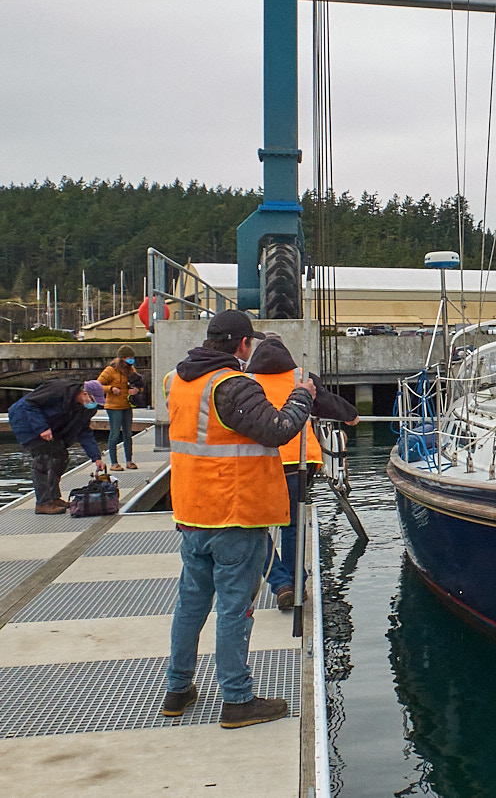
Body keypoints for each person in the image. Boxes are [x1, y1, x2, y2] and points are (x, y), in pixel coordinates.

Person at [161, 309, 316, 729]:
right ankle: (237, 700)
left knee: (190, 605)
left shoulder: (176, 381)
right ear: (244, 345)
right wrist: (302, 393)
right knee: (234, 608)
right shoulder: (232, 386)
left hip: (193, 514)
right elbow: (280, 428)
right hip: (235, 514)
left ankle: (177, 690)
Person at [245, 333, 360, 609]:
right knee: (293, 524)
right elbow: (327, 402)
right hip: (300, 462)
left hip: (262, 461)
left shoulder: (246, 381)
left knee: (254, 528)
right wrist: (351, 415)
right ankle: (296, 583)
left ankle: (279, 581)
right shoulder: (302, 376)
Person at [8, 379, 106, 514]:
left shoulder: (86, 409)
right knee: (43, 458)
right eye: (93, 400)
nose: (94, 404)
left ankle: (54, 498)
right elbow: (29, 403)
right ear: (84, 393)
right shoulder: (58, 389)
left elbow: (83, 431)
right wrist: (41, 428)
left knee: (61, 456)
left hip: (50, 425)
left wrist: (96, 457)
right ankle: (43, 503)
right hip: (25, 419)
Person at [97, 344, 141, 471]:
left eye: (132, 357)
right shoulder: (110, 370)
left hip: (127, 405)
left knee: (128, 433)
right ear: (121, 358)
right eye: (128, 357)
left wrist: (136, 390)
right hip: (113, 406)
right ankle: (114, 462)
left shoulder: (132, 370)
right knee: (115, 433)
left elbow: (139, 383)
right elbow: (97, 385)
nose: (131, 360)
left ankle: (129, 460)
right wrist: (111, 389)